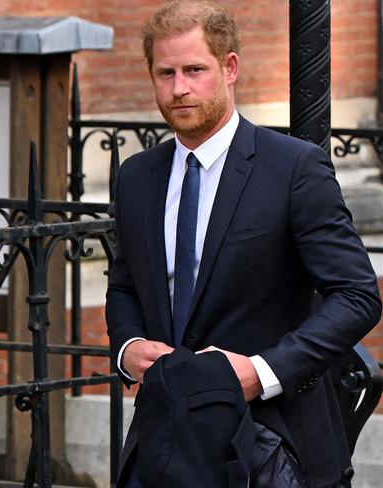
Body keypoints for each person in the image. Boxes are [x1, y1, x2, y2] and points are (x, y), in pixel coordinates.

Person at [105, 1, 382, 487]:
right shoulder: (136, 177)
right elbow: (125, 284)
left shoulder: (293, 168)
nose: (179, 88)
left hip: (272, 444)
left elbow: (357, 295)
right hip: (165, 442)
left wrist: (264, 370)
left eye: (195, 70)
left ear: (230, 68)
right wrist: (128, 347)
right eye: (165, 73)